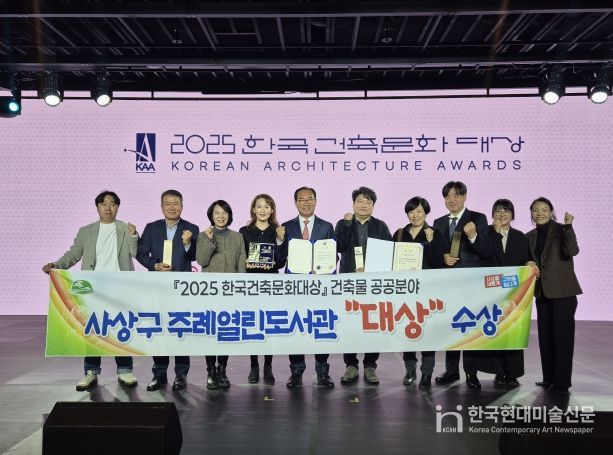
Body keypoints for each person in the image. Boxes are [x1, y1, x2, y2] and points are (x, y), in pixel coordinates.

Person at [42, 191, 139, 391]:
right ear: (97, 207)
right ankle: (91, 371)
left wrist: (133, 236)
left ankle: (125, 370)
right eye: (103, 204)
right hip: (93, 288)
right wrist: (56, 265)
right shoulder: (86, 231)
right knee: (92, 328)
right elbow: (73, 254)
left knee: (121, 327)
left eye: (112, 204)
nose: (108, 208)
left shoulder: (125, 228)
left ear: (118, 207)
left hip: (120, 286)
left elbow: (135, 253)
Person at [136, 189, 199, 391]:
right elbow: (141, 253)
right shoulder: (151, 227)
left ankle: (181, 374)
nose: (172, 207)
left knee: (180, 329)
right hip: (158, 287)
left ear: (182, 206)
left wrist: (188, 244)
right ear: (162, 206)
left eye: (176, 203)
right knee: (159, 330)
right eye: (168, 203)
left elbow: (196, 256)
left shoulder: (191, 228)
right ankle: (159, 374)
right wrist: (154, 265)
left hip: (181, 288)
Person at [432, 181, 490, 390]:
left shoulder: (478, 218)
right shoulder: (438, 222)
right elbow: (435, 251)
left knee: (470, 325)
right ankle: (451, 370)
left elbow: (486, 251)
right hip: (448, 283)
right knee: (451, 326)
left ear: (464, 197)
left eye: (456, 195)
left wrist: (473, 235)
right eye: (447, 196)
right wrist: (442, 257)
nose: (452, 200)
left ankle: (471, 372)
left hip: (471, 283)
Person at [278, 187, 336, 389]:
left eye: (310, 199)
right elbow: (280, 259)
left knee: (321, 328)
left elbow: (334, 256)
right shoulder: (286, 227)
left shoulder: (327, 226)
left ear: (316, 201)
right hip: (294, 287)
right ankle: (296, 371)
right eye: (301, 200)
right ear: (295, 203)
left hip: (319, 286)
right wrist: (279, 241)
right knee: (295, 329)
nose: (306, 203)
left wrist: (324, 266)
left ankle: (322, 371)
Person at [335, 186, 392, 385]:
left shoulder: (381, 226)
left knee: (373, 324)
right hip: (349, 281)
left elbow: (389, 250)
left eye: (368, 202)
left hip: (373, 283)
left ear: (373, 206)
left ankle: (370, 366)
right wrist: (347, 224)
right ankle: (350, 365)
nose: (364, 205)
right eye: (360, 201)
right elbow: (339, 246)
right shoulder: (343, 223)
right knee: (349, 323)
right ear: (353, 204)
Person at [527, 197, 581, 395]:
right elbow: (528, 259)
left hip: (563, 292)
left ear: (551, 212)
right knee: (545, 337)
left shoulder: (561, 230)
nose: (539, 213)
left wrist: (568, 227)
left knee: (562, 338)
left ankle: (562, 382)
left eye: (544, 209)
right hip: (542, 292)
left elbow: (573, 250)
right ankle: (548, 377)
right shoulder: (529, 236)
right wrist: (528, 264)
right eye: (535, 210)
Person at [480, 199, 532, 387]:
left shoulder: (520, 237)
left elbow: (527, 259)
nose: (502, 215)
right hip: (490, 291)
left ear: (513, 215)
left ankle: (512, 373)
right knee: (494, 331)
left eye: (506, 211)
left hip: (514, 293)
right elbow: (482, 255)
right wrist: (494, 233)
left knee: (512, 331)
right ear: (492, 214)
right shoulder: (485, 233)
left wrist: (530, 264)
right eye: (498, 211)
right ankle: (498, 372)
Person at [394, 196, 444, 390]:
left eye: (419, 211)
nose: (415, 215)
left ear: (426, 213)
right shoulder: (400, 233)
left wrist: (431, 242)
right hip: (405, 291)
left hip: (427, 291)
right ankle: (410, 370)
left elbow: (438, 263)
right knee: (407, 332)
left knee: (428, 334)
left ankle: (427, 372)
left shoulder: (435, 233)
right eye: (411, 211)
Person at [196, 200, 246, 390]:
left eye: (224, 212)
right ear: (211, 215)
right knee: (211, 333)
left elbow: (241, 264)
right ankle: (210, 371)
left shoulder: (238, 236)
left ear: (229, 215)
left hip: (231, 292)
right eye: (217, 213)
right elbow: (201, 260)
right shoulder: (203, 235)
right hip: (210, 293)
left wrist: (241, 289)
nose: (221, 216)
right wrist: (209, 240)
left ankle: (222, 369)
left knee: (225, 332)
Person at [239, 194, 286, 385]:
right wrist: (246, 262)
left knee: (268, 325)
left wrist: (280, 240)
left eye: (267, 206)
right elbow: (240, 257)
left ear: (272, 210)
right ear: (253, 209)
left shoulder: (278, 230)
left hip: (270, 283)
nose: (263, 210)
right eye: (259, 206)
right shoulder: (244, 231)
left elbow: (281, 261)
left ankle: (268, 366)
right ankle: (253, 365)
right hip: (251, 284)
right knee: (252, 324)